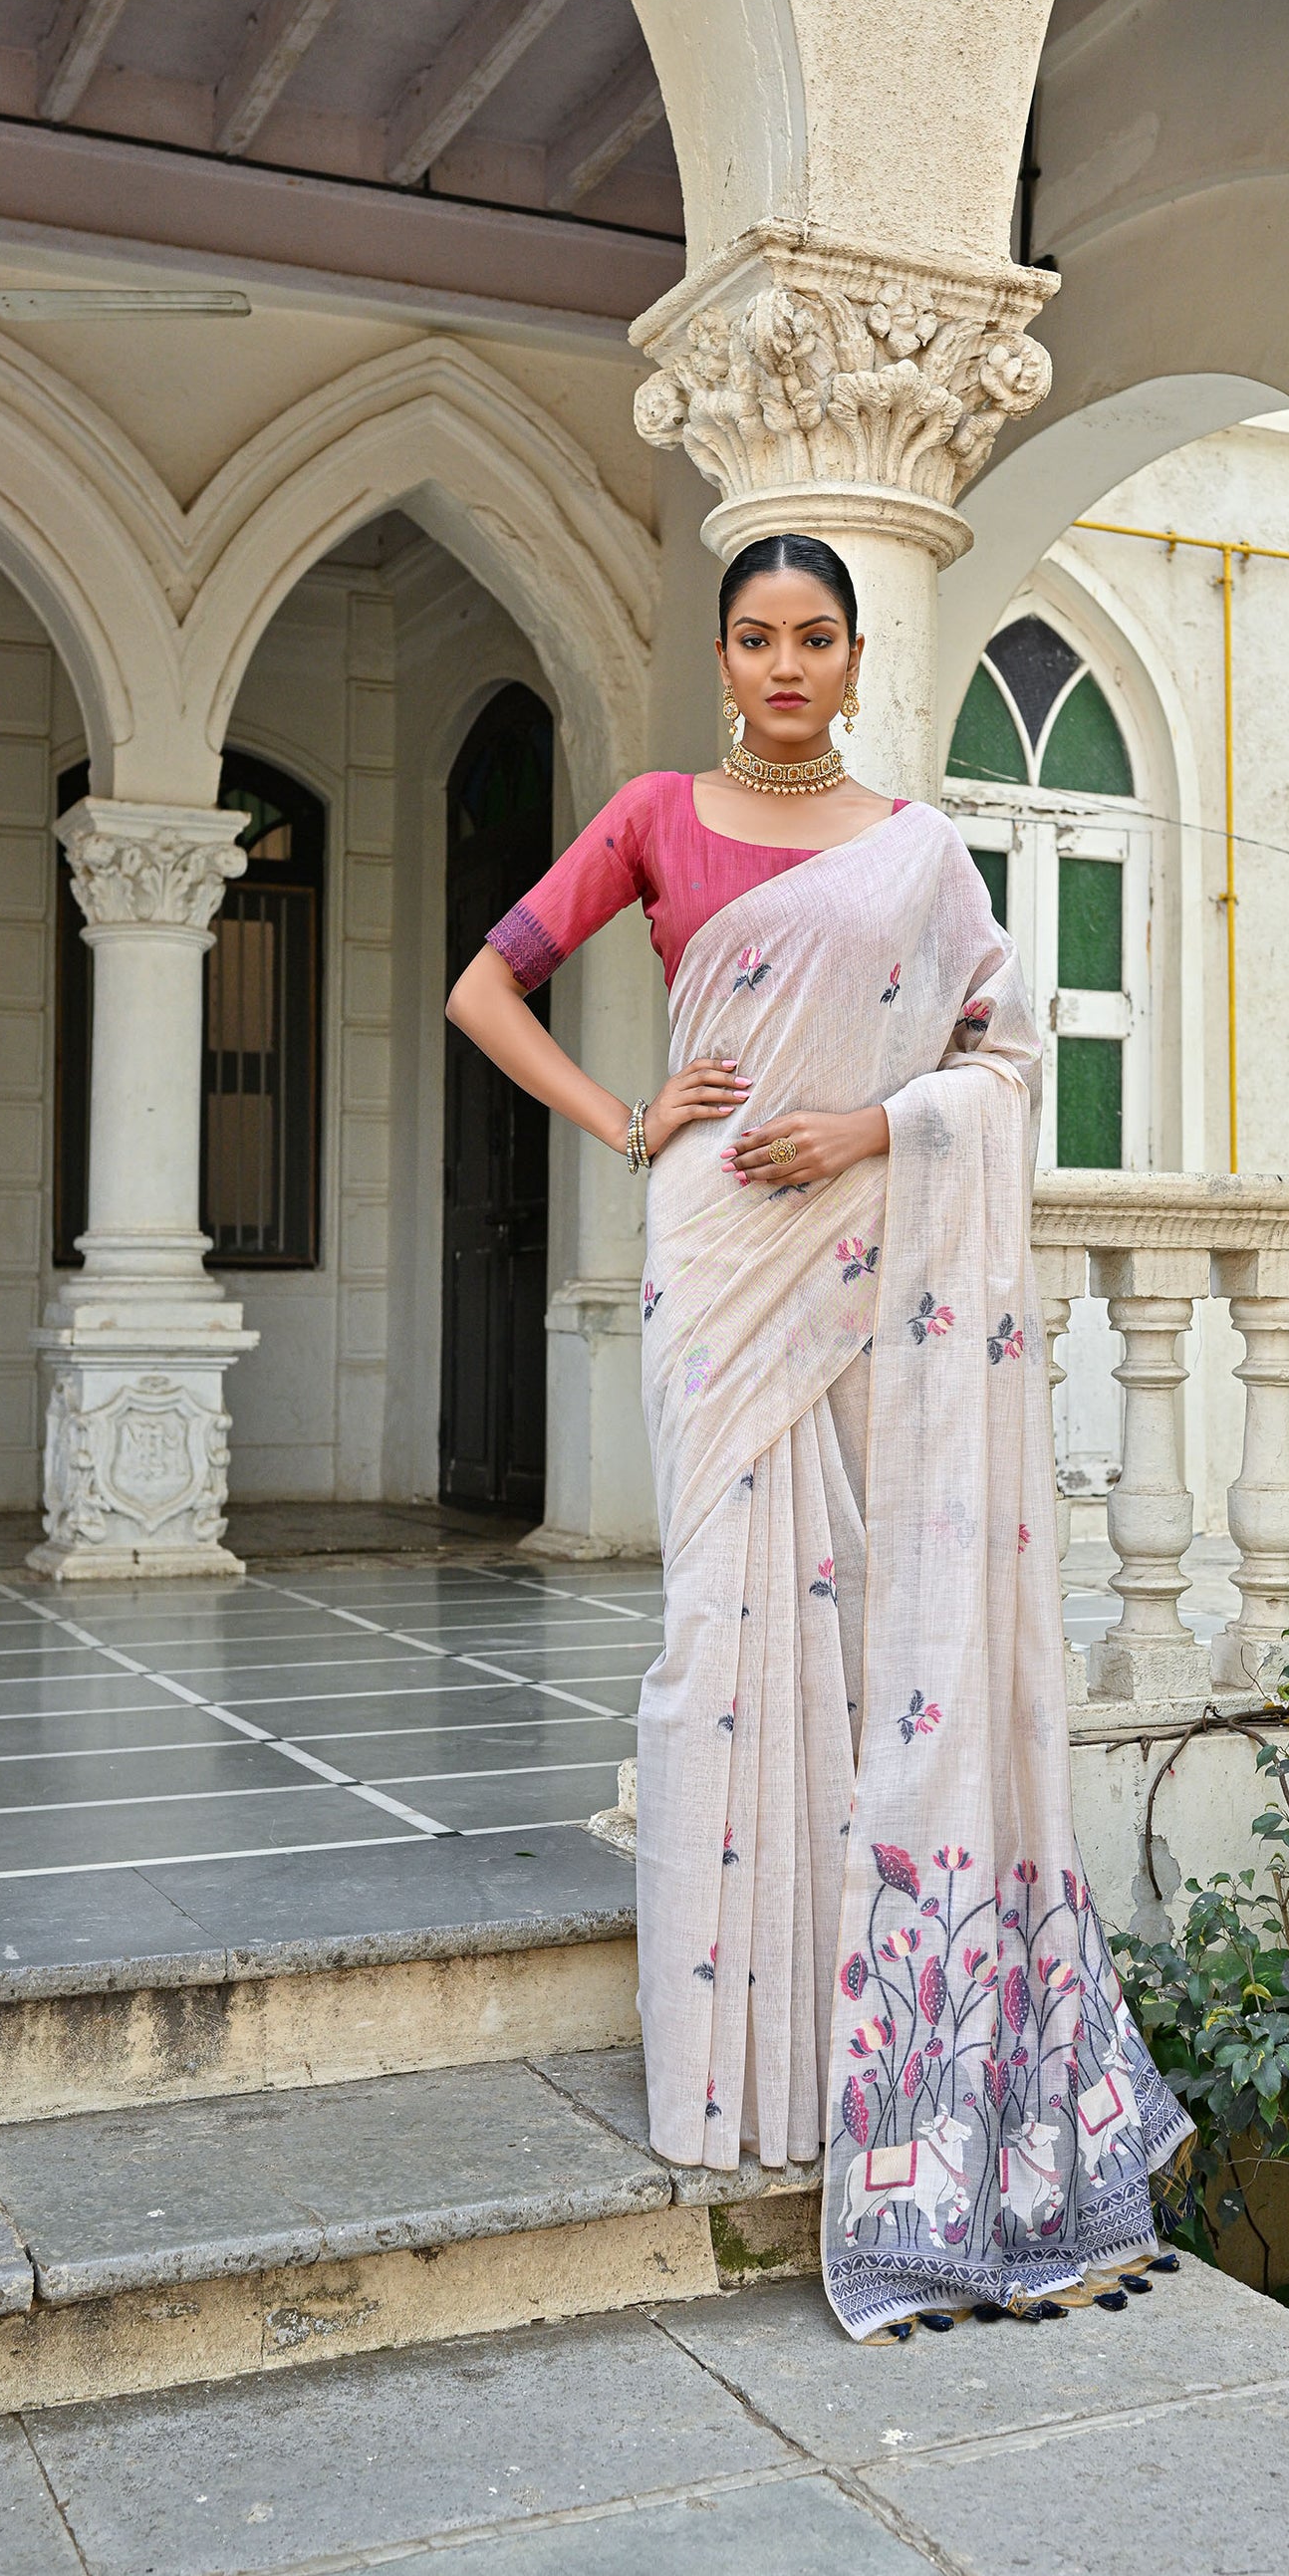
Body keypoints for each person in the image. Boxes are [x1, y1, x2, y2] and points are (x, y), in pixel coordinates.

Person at [446, 532, 1190, 2338]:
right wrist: (631, 1118)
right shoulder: (652, 815)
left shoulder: (918, 851)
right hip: (716, 1252)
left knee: (859, 1623)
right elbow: (483, 989)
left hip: (869, 1249)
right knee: (721, 1629)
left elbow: (999, 1059)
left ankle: (848, 2056)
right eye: (755, 637)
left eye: (814, 638)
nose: (784, 665)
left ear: (854, 661)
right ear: (722, 657)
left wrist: (869, 1129)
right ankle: (728, 2067)